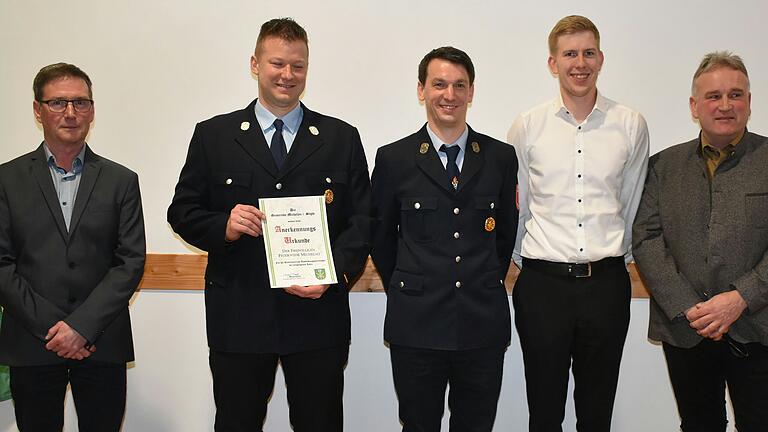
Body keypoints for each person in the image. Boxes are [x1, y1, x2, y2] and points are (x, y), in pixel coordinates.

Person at [167, 17, 371, 432]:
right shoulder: (214, 136)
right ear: (255, 64)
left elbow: (363, 221)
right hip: (239, 315)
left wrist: (333, 276)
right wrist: (223, 224)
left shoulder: (340, 138)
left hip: (317, 318)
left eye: (298, 65)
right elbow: (182, 211)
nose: (287, 75)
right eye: (277, 63)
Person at [507, 15, 649, 431]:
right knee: (544, 411)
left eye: (588, 53)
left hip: (606, 285)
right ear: (553, 63)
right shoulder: (527, 126)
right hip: (542, 287)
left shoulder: (630, 125)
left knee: (597, 410)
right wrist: (522, 260)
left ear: (601, 59)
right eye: (570, 54)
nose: (579, 63)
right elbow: (521, 205)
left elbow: (631, 201)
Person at [371, 46, 518, 432]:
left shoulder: (500, 157)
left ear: (471, 92)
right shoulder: (394, 159)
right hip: (416, 324)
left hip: (481, 324)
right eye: (439, 84)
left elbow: (504, 236)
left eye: (459, 85)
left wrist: (481, 280)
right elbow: (381, 238)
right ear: (421, 90)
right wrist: (410, 287)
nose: (449, 95)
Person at [0, 62, 146, 431]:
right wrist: (56, 330)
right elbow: (2, 264)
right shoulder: (6, 180)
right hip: (33, 345)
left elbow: (130, 261)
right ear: (38, 109)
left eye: (80, 103)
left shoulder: (121, 180)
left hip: (101, 342)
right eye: (58, 103)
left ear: (92, 110)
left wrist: (81, 327)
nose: (70, 113)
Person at [633, 51, 768, 432]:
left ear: (749, 103)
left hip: (759, 327)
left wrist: (741, 297)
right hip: (686, 329)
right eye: (714, 96)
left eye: (736, 94)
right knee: (698, 424)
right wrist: (690, 306)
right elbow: (645, 237)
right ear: (695, 106)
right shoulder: (663, 166)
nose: (725, 105)